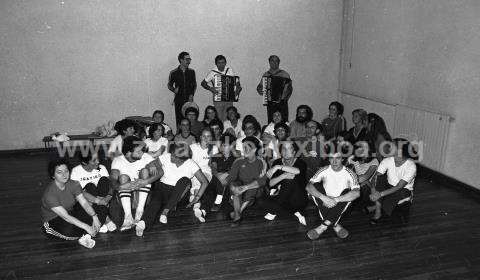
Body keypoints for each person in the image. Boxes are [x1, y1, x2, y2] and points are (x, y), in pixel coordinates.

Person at [142, 143, 209, 226]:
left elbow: (204, 182)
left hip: (180, 196)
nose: (171, 156)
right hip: (163, 190)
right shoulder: (166, 156)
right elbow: (150, 164)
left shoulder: (191, 164)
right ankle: (143, 223)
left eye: (174, 156)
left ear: (182, 160)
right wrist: (151, 166)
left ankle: (165, 211)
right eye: (172, 154)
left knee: (185, 180)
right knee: (156, 197)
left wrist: (197, 197)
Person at [41, 158, 102, 248]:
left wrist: (94, 216)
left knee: (97, 210)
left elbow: (84, 203)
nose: (64, 175)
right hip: (53, 220)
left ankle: (85, 235)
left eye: (66, 171)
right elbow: (66, 217)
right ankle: (85, 234)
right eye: (59, 172)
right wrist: (86, 227)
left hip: (70, 211)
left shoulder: (74, 184)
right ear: (53, 175)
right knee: (70, 230)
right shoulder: (50, 194)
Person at [306, 142, 360, 240]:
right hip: (324, 202)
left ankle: (323, 226)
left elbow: (357, 193)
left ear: (343, 159)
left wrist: (335, 200)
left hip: (341, 203)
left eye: (338, 158)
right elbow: (308, 186)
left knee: (347, 191)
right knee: (315, 186)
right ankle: (335, 224)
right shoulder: (324, 170)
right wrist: (324, 198)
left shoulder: (350, 173)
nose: (334, 161)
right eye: (331, 158)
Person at [109, 136, 161, 236]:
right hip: (125, 195)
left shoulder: (146, 157)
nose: (142, 153)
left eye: (142, 150)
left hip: (143, 194)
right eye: (138, 151)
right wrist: (121, 187)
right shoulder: (118, 160)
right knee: (123, 177)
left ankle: (139, 212)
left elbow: (160, 172)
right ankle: (128, 216)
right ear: (128, 153)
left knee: (145, 171)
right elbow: (112, 179)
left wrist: (146, 182)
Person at [369, 138, 417, 225]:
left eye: (392, 146)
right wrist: (373, 190)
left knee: (395, 219)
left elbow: (399, 186)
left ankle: (378, 206)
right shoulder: (387, 160)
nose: (389, 148)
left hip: (403, 190)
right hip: (389, 186)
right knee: (379, 179)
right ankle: (378, 211)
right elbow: (375, 177)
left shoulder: (411, 166)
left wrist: (379, 194)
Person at [262, 141, 308, 225]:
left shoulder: (301, 163)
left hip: (298, 198)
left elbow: (297, 171)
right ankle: (295, 212)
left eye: (289, 149)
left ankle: (275, 210)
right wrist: (283, 176)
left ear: (294, 152)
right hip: (282, 197)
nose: (285, 152)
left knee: (289, 181)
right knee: (261, 199)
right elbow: (270, 184)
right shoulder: (277, 162)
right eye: (283, 149)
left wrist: (278, 167)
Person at [70, 151, 116, 233]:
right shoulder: (76, 171)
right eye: (94, 160)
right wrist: (97, 200)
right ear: (84, 162)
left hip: (103, 198)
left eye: (97, 159)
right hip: (88, 200)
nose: (98, 161)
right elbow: (78, 192)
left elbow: (110, 185)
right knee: (90, 186)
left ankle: (101, 216)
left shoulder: (102, 167)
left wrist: (108, 197)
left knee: (104, 180)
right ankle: (105, 218)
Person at [226, 136, 268, 224]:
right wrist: (233, 187)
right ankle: (237, 216)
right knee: (235, 184)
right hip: (239, 193)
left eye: (246, 148)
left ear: (254, 149)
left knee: (254, 185)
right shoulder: (239, 161)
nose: (243, 150)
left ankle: (238, 212)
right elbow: (231, 178)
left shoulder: (261, 163)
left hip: (254, 194)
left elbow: (262, 181)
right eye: (243, 147)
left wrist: (245, 187)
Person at [189, 128, 222, 221]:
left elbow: (213, 164)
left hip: (207, 171)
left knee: (202, 181)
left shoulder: (214, 148)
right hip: (194, 170)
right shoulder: (193, 146)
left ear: (212, 137)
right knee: (197, 181)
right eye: (204, 136)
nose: (206, 138)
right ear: (200, 137)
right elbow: (188, 161)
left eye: (208, 136)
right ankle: (196, 205)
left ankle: (196, 204)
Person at [201, 55, 242, 120]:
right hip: (218, 98)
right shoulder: (213, 72)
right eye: (219, 63)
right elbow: (203, 83)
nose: (221, 65)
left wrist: (238, 88)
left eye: (223, 62)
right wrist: (211, 88)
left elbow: (235, 81)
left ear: (225, 63)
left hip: (229, 98)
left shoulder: (229, 70)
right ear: (216, 64)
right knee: (219, 117)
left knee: (228, 117)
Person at [256, 55, 293, 122]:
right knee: (271, 121)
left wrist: (284, 99)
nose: (274, 63)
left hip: (282, 103)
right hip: (270, 103)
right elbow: (259, 86)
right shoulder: (266, 74)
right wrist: (260, 90)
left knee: (283, 121)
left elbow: (289, 89)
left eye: (276, 61)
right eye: (272, 61)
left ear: (279, 62)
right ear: (269, 62)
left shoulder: (285, 74)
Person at [168, 51, 197, 127]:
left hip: (189, 100)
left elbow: (194, 85)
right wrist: (174, 90)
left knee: (190, 119)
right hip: (179, 100)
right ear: (181, 60)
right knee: (180, 120)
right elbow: (169, 85)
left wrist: (191, 95)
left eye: (189, 59)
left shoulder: (192, 72)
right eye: (187, 59)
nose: (189, 61)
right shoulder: (173, 72)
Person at [210, 133, 238, 211]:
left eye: (225, 145)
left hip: (229, 180)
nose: (222, 147)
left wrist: (226, 174)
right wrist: (219, 176)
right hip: (217, 180)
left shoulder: (235, 158)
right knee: (219, 179)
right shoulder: (216, 156)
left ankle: (228, 199)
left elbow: (235, 170)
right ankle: (219, 200)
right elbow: (213, 168)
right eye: (221, 145)